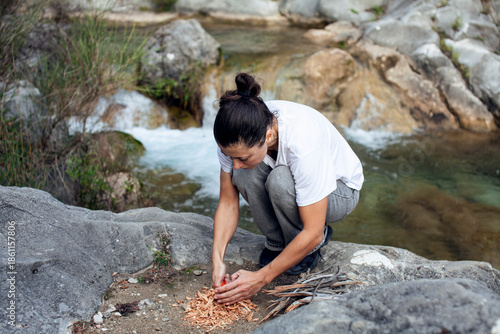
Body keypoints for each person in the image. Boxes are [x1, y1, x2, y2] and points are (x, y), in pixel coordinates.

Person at [211, 72, 364, 305]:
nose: (235, 163)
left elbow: (311, 231)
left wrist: (260, 279)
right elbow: (228, 203)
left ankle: (305, 249)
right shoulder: (235, 134)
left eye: (242, 157)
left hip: (340, 191)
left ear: (269, 135)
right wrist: (217, 259)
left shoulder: (303, 141)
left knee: (280, 180)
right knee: (244, 174)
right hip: (294, 181)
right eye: (230, 156)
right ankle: (277, 243)